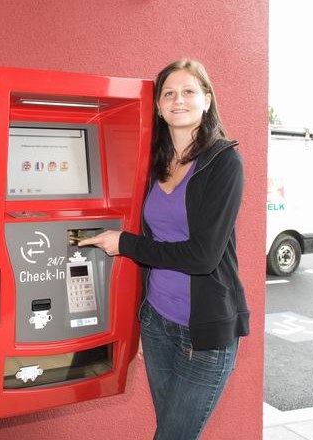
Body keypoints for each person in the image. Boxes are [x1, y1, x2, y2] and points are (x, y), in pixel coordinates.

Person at [79, 59, 249, 440]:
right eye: (168, 93)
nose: (178, 100)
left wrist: (124, 244)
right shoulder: (154, 161)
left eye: (189, 91)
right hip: (157, 323)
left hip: (203, 333)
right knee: (170, 430)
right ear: (157, 105)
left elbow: (202, 256)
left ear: (207, 99)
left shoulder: (224, 163)